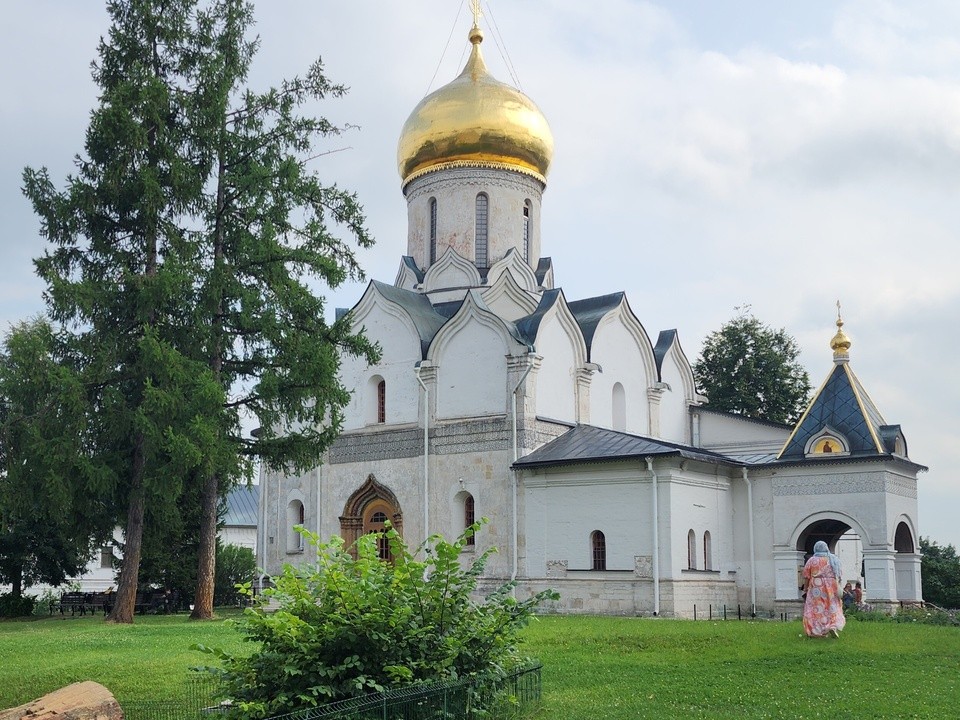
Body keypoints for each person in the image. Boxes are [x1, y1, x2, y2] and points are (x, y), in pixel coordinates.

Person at [801, 540, 846, 638]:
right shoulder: (833, 559)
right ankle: (832, 626)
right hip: (831, 587)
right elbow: (839, 574)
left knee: (815, 608)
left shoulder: (812, 560)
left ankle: (816, 631)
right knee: (832, 606)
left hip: (816, 588)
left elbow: (806, 576)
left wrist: (805, 588)